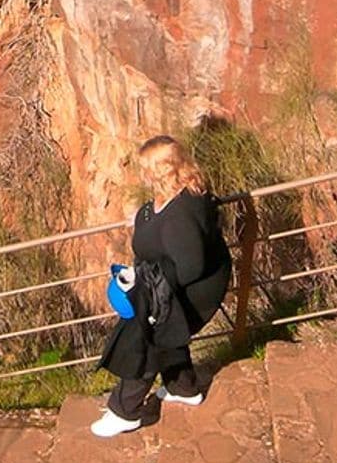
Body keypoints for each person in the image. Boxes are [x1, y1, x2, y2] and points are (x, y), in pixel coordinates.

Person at [92, 135, 234, 438]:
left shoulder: (182, 213)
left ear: (158, 171)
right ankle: (183, 388)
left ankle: (124, 411)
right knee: (162, 329)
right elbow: (159, 223)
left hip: (193, 291)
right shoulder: (179, 196)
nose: (142, 174)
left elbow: (191, 266)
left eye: (146, 168)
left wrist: (149, 290)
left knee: (147, 336)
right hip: (170, 283)